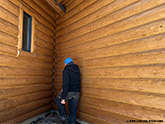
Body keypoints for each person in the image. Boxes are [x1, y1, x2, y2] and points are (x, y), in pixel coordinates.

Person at [55, 57, 81, 124]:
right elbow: (73, 81)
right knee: (73, 111)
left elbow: (66, 84)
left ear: (65, 64)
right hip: (77, 92)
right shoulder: (77, 70)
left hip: (69, 91)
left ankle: (63, 115)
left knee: (58, 99)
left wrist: (63, 98)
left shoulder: (66, 71)